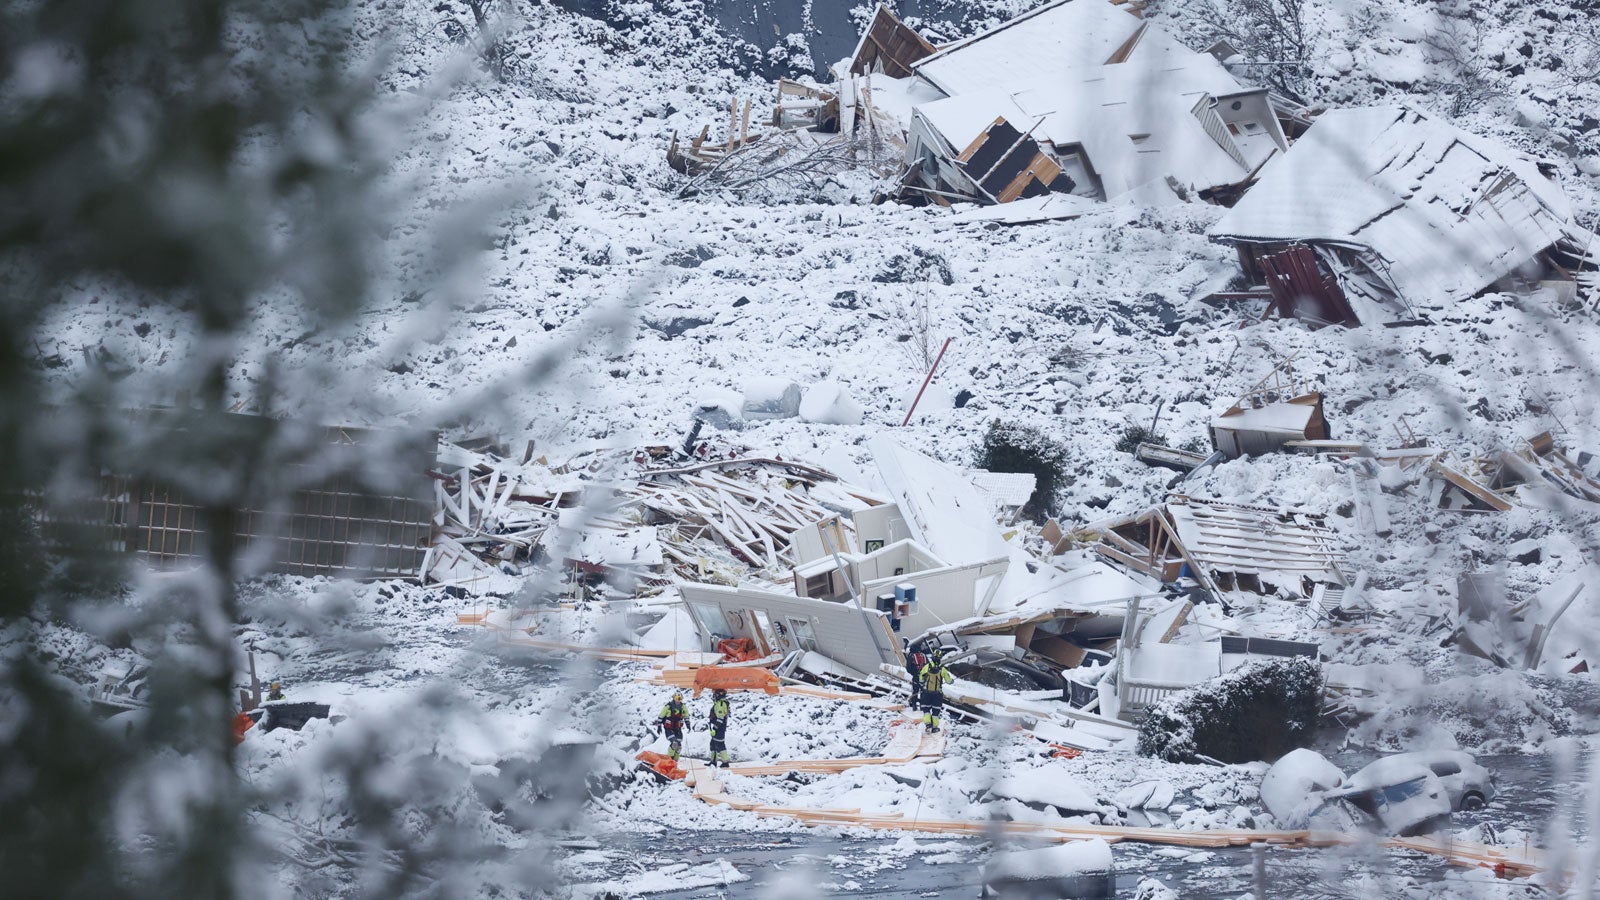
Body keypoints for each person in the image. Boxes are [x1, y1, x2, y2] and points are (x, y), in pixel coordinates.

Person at [918, 650, 954, 733]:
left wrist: (922, 683)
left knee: (926, 710)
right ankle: (935, 727)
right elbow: (948, 681)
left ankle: (928, 724)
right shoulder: (942, 669)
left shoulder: (927, 667)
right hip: (937, 694)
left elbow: (921, 678)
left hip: (926, 693)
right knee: (936, 711)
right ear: (940, 658)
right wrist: (951, 681)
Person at [658, 690, 688, 761]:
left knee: (679, 746)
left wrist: (688, 725)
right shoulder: (668, 706)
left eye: (680, 699)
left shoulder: (683, 707)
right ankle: (669, 760)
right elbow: (661, 716)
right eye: (677, 699)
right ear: (674, 698)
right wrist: (659, 726)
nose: (678, 701)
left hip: (678, 729)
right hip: (669, 729)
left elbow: (686, 716)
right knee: (674, 743)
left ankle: (675, 761)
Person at [708, 688, 732, 768]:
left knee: (720, 744)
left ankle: (725, 762)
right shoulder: (719, 703)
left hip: (719, 728)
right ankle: (713, 762)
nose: (714, 696)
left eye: (715, 694)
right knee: (713, 744)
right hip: (718, 726)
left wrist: (715, 728)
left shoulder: (721, 704)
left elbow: (720, 718)